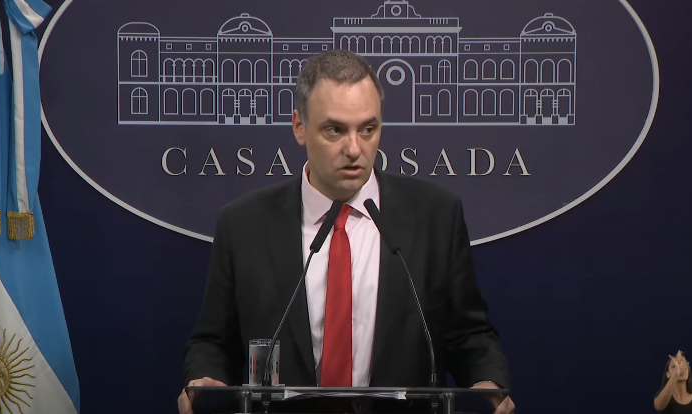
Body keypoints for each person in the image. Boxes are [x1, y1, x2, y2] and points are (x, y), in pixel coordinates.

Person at [178, 49, 514, 414]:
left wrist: (486, 379)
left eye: (368, 129)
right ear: (299, 127)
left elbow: (468, 334)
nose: (354, 149)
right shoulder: (244, 224)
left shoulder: (435, 215)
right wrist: (206, 377)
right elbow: (213, 342)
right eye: (335, 130)